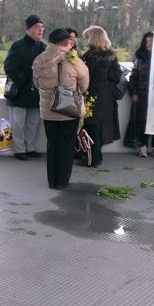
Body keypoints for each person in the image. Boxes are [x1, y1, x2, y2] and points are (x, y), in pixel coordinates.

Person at [32, 28, 90, 189]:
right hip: (68, 110)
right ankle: (62, 182)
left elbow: (36, 84)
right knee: (66, 146)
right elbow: (84, 86)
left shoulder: (39, 59)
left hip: (48, 111)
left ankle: (52, 181)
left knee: (52, 145)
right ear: (65, 42)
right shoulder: (74, 60)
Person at [4, 14, 47, 160]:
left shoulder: (43, 47)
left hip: (36, 92)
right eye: (37, 27)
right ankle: (19, 150)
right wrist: (22, 80)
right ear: (28, 29)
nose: (40, 30)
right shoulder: (18, 45)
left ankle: (30, 148)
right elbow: (9, 66)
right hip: (19, 92)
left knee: (33, 123)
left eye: (42, 27)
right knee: (18, 123)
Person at [80, 26, 122, 167]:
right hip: (107, 97)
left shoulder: (90, 56)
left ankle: (91, 159)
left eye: (87, 37)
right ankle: (95, 158)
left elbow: (84, 77)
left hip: (91, 97)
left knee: (90, 127)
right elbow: (117, 76)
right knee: (98, 127)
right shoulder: (112, 56)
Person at [129, 32, 154, 158]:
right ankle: (142, 146)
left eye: (151, 41)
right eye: (147, 41)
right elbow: (133, 77)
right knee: (142, 121)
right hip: (143, 95)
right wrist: (134, 93)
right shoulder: (140, 57)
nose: (149, 43)